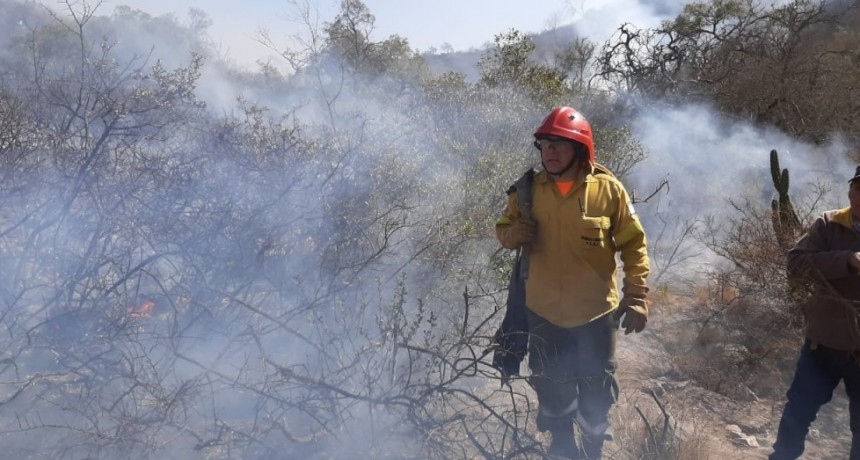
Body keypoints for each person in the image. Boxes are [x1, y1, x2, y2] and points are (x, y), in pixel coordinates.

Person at [495, 106, 650, 459]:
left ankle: (593, 446)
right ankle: (562, 445)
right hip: (543, 314)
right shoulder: (527, 191)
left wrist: (638, 296)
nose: (550, 152)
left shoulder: (608, 191)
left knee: (597, 389)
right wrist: (513, 233)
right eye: (545, 145)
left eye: (559, 145)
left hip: (596, 316)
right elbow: (502, 230)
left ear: (580, 149)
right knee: (551, 384)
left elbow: (634, 245)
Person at [770, 166, 860, 460]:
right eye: (858, 188)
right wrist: (847, 261)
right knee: (797, 415)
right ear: (850, 191)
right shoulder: (829, 223)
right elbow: (796, 265)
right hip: (824, 342)